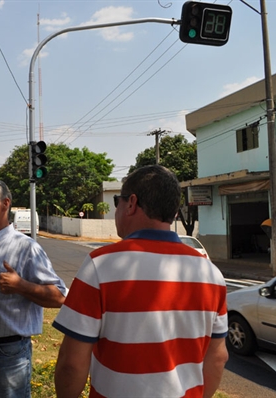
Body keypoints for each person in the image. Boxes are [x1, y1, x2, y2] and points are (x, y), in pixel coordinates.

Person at [53, 165, 229, 398]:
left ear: (132, 203)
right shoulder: (212, 274)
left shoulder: (100, 264)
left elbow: (71, 363)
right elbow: (217, 358)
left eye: (118, 201)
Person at [0, 180, 67, 398]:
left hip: (7, 355)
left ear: (5, 204)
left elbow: (59, 297)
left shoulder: (26, 247)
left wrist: (21, 286)